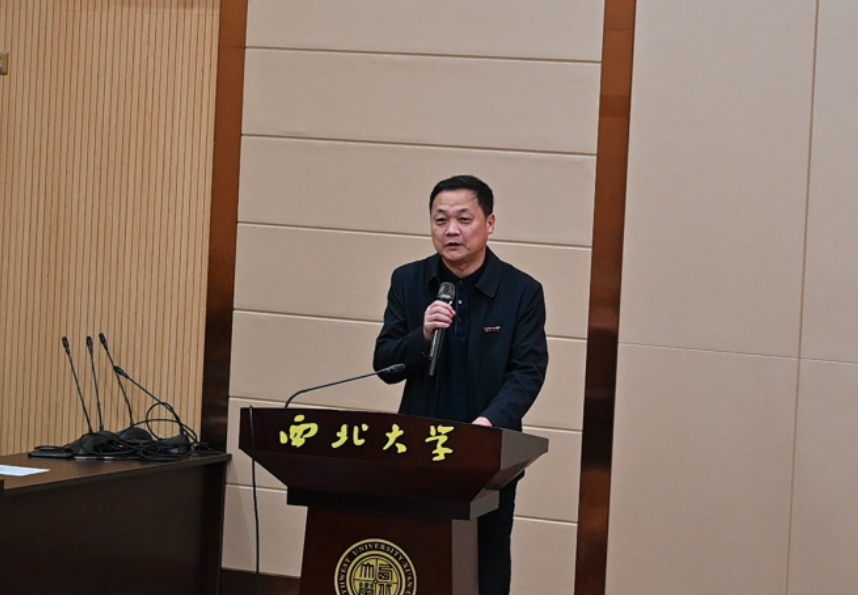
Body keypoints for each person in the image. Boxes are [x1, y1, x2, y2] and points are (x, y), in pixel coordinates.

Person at [373, 174, 549, 595]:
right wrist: (422, 335)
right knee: (417, 560)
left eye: (463, 219)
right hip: (418, 453)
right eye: (441, 220)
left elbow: (527, 371)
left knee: (485, 562)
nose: (451, 230)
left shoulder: (522, 291)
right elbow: (385, 365)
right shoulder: (408, 281)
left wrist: (488, 424)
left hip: (488, 453)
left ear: (490, 224)